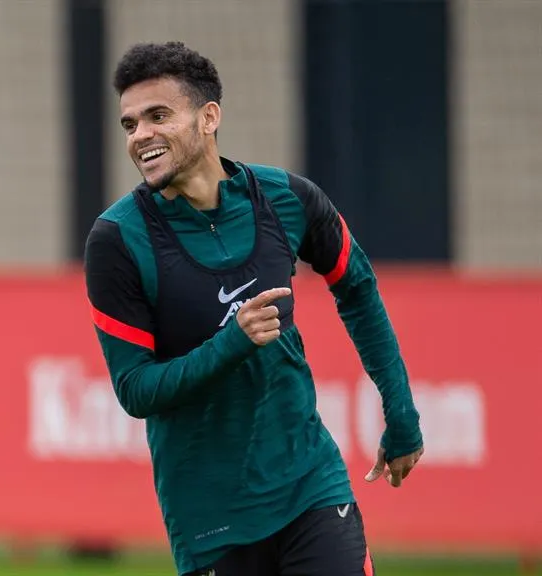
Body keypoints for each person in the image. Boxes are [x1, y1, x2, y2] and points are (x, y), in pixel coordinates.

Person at [83, 41, 424, 576]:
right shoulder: (117, 240)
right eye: (130, 124)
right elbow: (136, 390)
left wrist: (400, 410)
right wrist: (232, 343)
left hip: (311, 487)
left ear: (209, 117)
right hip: (210, 520)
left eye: (158, 116)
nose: (140, 135)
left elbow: (357, 287)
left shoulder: (287, 197)